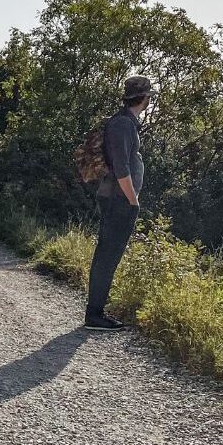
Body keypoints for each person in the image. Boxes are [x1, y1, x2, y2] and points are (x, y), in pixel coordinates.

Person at [85, 75, 157, 331]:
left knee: (107, 254)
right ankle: (95, 314)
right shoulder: (123, 125)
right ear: (144, 98)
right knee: (107, 256)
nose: (149, 101)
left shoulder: (125, 123)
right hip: (118, 199)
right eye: (149, 96)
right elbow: (121, 167)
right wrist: (133, 200)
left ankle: (96, 311)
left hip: (117, 197)